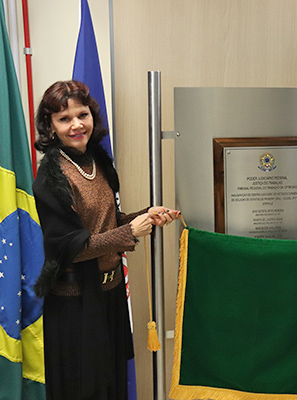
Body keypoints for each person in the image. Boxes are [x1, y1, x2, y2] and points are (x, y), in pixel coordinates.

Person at [32, 80, 180, 400]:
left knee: (111, 383)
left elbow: (105, 223)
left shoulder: (97, 160)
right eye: (64, 118)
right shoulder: (51, 176)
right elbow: (69, 248)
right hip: (74, 302)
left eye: (82, 114)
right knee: (84, 389)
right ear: (50, 126)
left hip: (108, 295)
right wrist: (129, 233)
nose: (76, 125)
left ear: (93, 116)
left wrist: (145, 216)